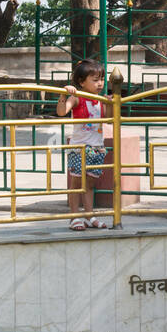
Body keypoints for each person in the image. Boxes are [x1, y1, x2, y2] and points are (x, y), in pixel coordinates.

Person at [56, 60, 108, 230]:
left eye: (101, 79)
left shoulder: (100, 100)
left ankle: (89, 215)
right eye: (95, 80)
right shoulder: (77, 98)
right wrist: (64, 95)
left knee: (90, 184)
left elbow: (112, 119)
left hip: (97, 148)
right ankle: (74, 217)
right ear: (81, 82)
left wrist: (111, 102)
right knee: (76, 184)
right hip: (80, 148)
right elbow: (62, 112)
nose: (99, 83)